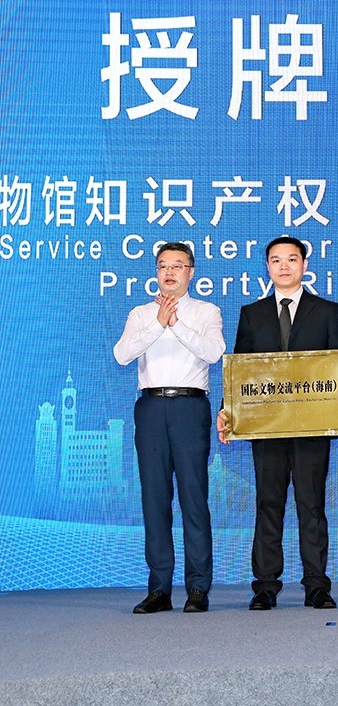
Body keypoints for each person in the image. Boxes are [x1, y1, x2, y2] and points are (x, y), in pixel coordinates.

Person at [217, 237, 338, 610]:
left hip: (313, 427)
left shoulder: (326, 311)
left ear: (304, 265)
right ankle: (265, 586)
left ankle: (317, 586)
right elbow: (241, 370)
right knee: (268, 504)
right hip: (267, 426)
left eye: (292, 259)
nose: (284, 266)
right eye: (276, 260)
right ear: (268, 267)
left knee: (312, 505)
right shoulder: (252, 313)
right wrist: (229, 410)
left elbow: (337, 366)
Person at [114, 242, 224, 614]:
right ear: (156, 272)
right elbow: (122, 354)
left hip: (190, 407)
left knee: (194, 497)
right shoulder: (141, 313)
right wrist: (157, 324)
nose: (169, 272)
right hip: (150, 407)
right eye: (163, 265)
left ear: (191, 272)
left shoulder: (207, 311)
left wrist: (175, 324)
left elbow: (213, 352)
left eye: (177, 265)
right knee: (154, 499)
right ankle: (159, 589)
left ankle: (198, 588)